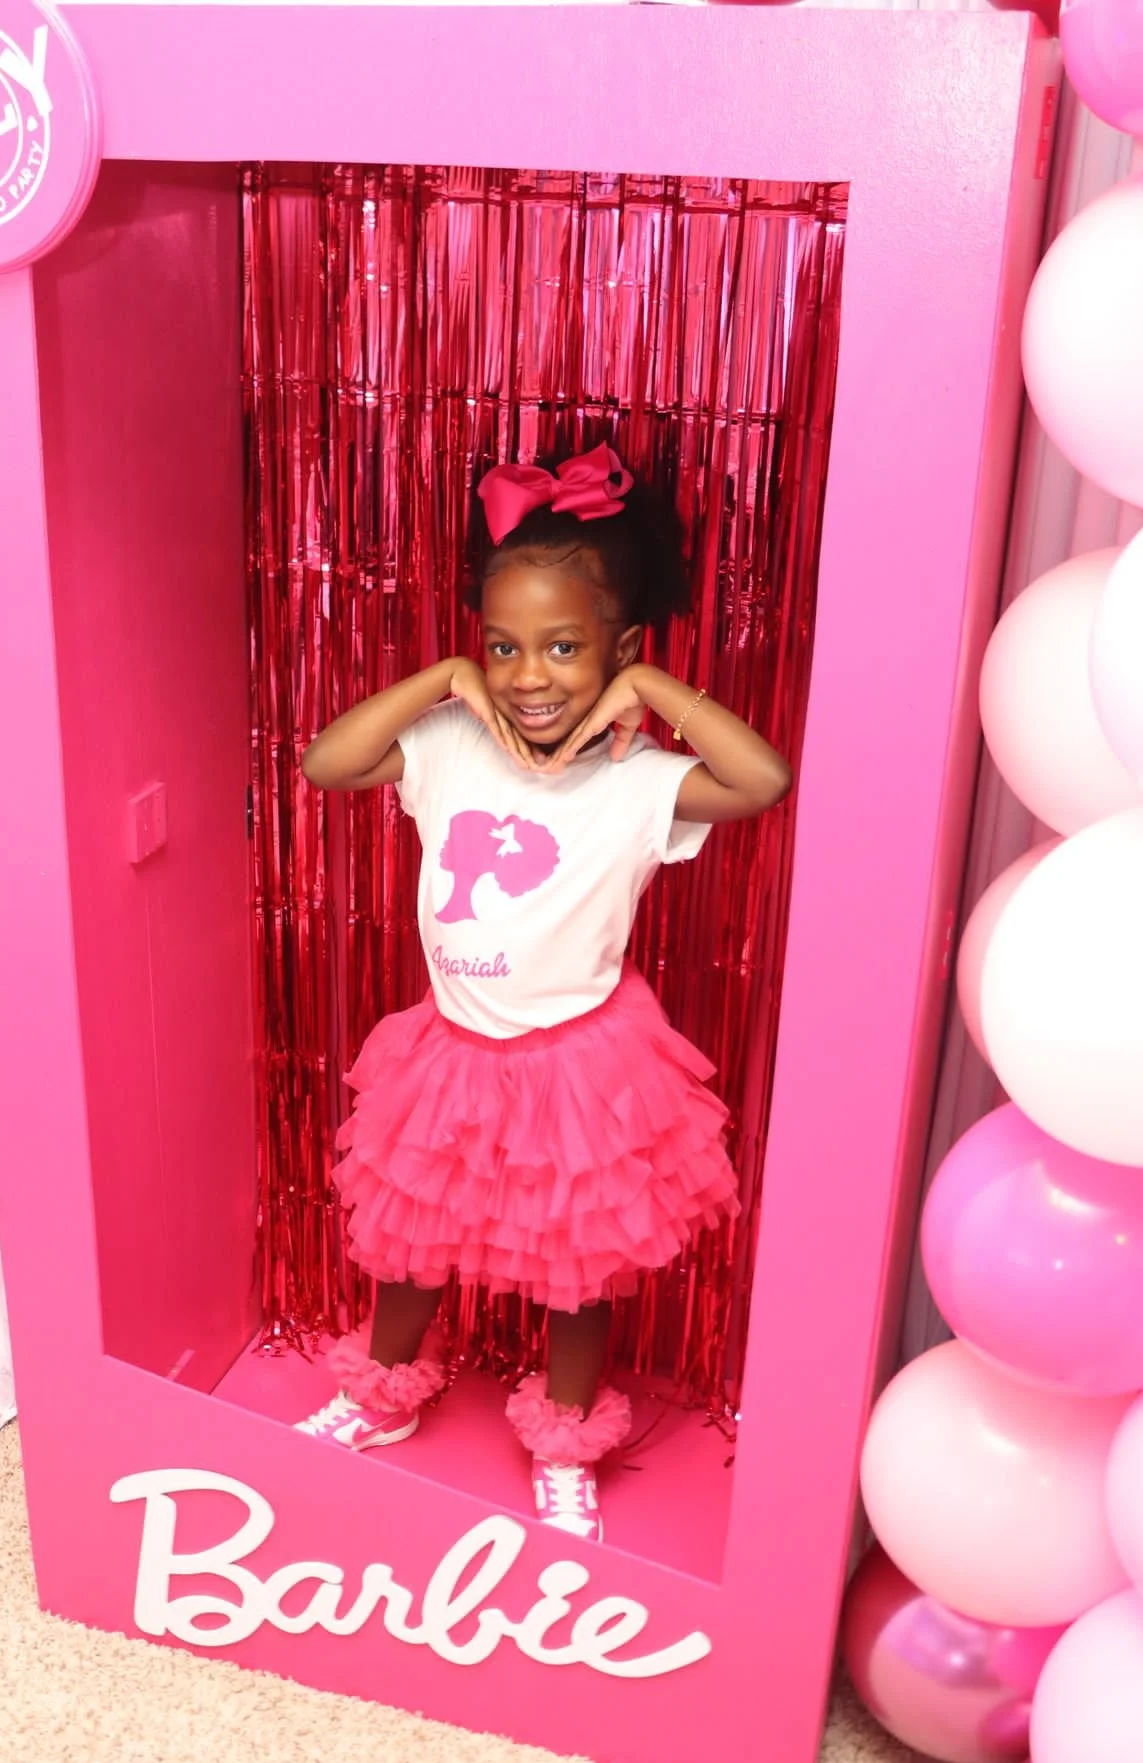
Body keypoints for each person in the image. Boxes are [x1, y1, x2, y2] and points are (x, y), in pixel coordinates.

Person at [295, 444, 792, 1539]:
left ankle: (564, 1432)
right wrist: (442, 680)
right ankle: (380, 1394)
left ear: (617, 650)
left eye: (566, 647)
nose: (532, 673)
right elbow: (328, 763)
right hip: (452, 1053)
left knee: (577, 1265)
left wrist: (652, 692)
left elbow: (763, 780)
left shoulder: (642, 775)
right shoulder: (450, 746)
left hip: (582, 1066)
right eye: (506, 646)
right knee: (411, 1240)